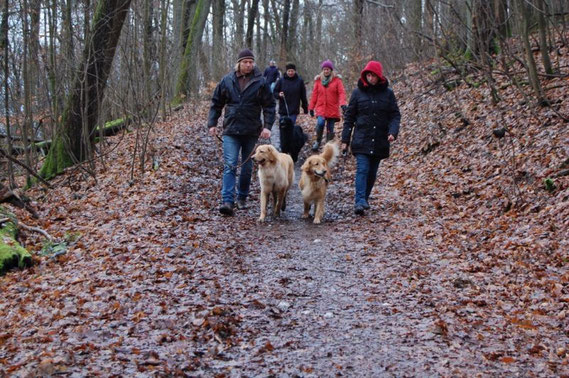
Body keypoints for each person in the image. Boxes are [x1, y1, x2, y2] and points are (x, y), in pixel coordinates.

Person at [208, 48, 276, 216]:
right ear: (239, 63)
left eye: (251, 62)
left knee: (246, 167)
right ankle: (227, 201)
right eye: (245, 62)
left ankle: (242, 196)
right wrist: (212, 123)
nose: (248, 65)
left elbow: (269, 106)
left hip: (252, 130)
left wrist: (267, 126)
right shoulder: (227, 80)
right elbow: (216, 103)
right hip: (231, 129)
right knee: (230, 164)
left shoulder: (261, 82)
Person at [341, 60, 401, 216]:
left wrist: (393, 132)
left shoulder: (388, 94)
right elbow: (349, 118)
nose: (370, 78)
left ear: (378, 76)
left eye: (373, 75)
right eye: (368, 75)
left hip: (380, 139)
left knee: (372, 172)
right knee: (363, 168)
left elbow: (395, 115)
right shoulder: (357, 93)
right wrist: (345, 141)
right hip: (361, 138)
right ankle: (359, 200)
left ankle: (364, 199)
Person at [308, 59, 347, 151]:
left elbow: (341, 93)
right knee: (320, 123)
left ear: (331, 70)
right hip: (321, 108)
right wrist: (311, 107)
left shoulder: (337, 80)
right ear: (322, 70)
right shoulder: (318, 81)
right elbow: (314, 95)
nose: (326, 71)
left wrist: (343, 104)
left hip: (332, 108)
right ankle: (318, 141)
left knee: (330, 128)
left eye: (328, 69)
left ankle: (328, 146)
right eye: (324, 69)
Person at [273, 62, 308, 160]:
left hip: (293, 110)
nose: (290, 72)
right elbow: (274, 92)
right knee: (283, 129)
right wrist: (279, 95)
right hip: (283, 110)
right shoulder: (281, 80)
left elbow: (303, 95)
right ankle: (284, 148)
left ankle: (292, 148)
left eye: (292, 71)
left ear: (295, 71)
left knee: (290, 129)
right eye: (289, 71)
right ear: (286, 71)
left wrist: (305, 107)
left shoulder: (299, 81)